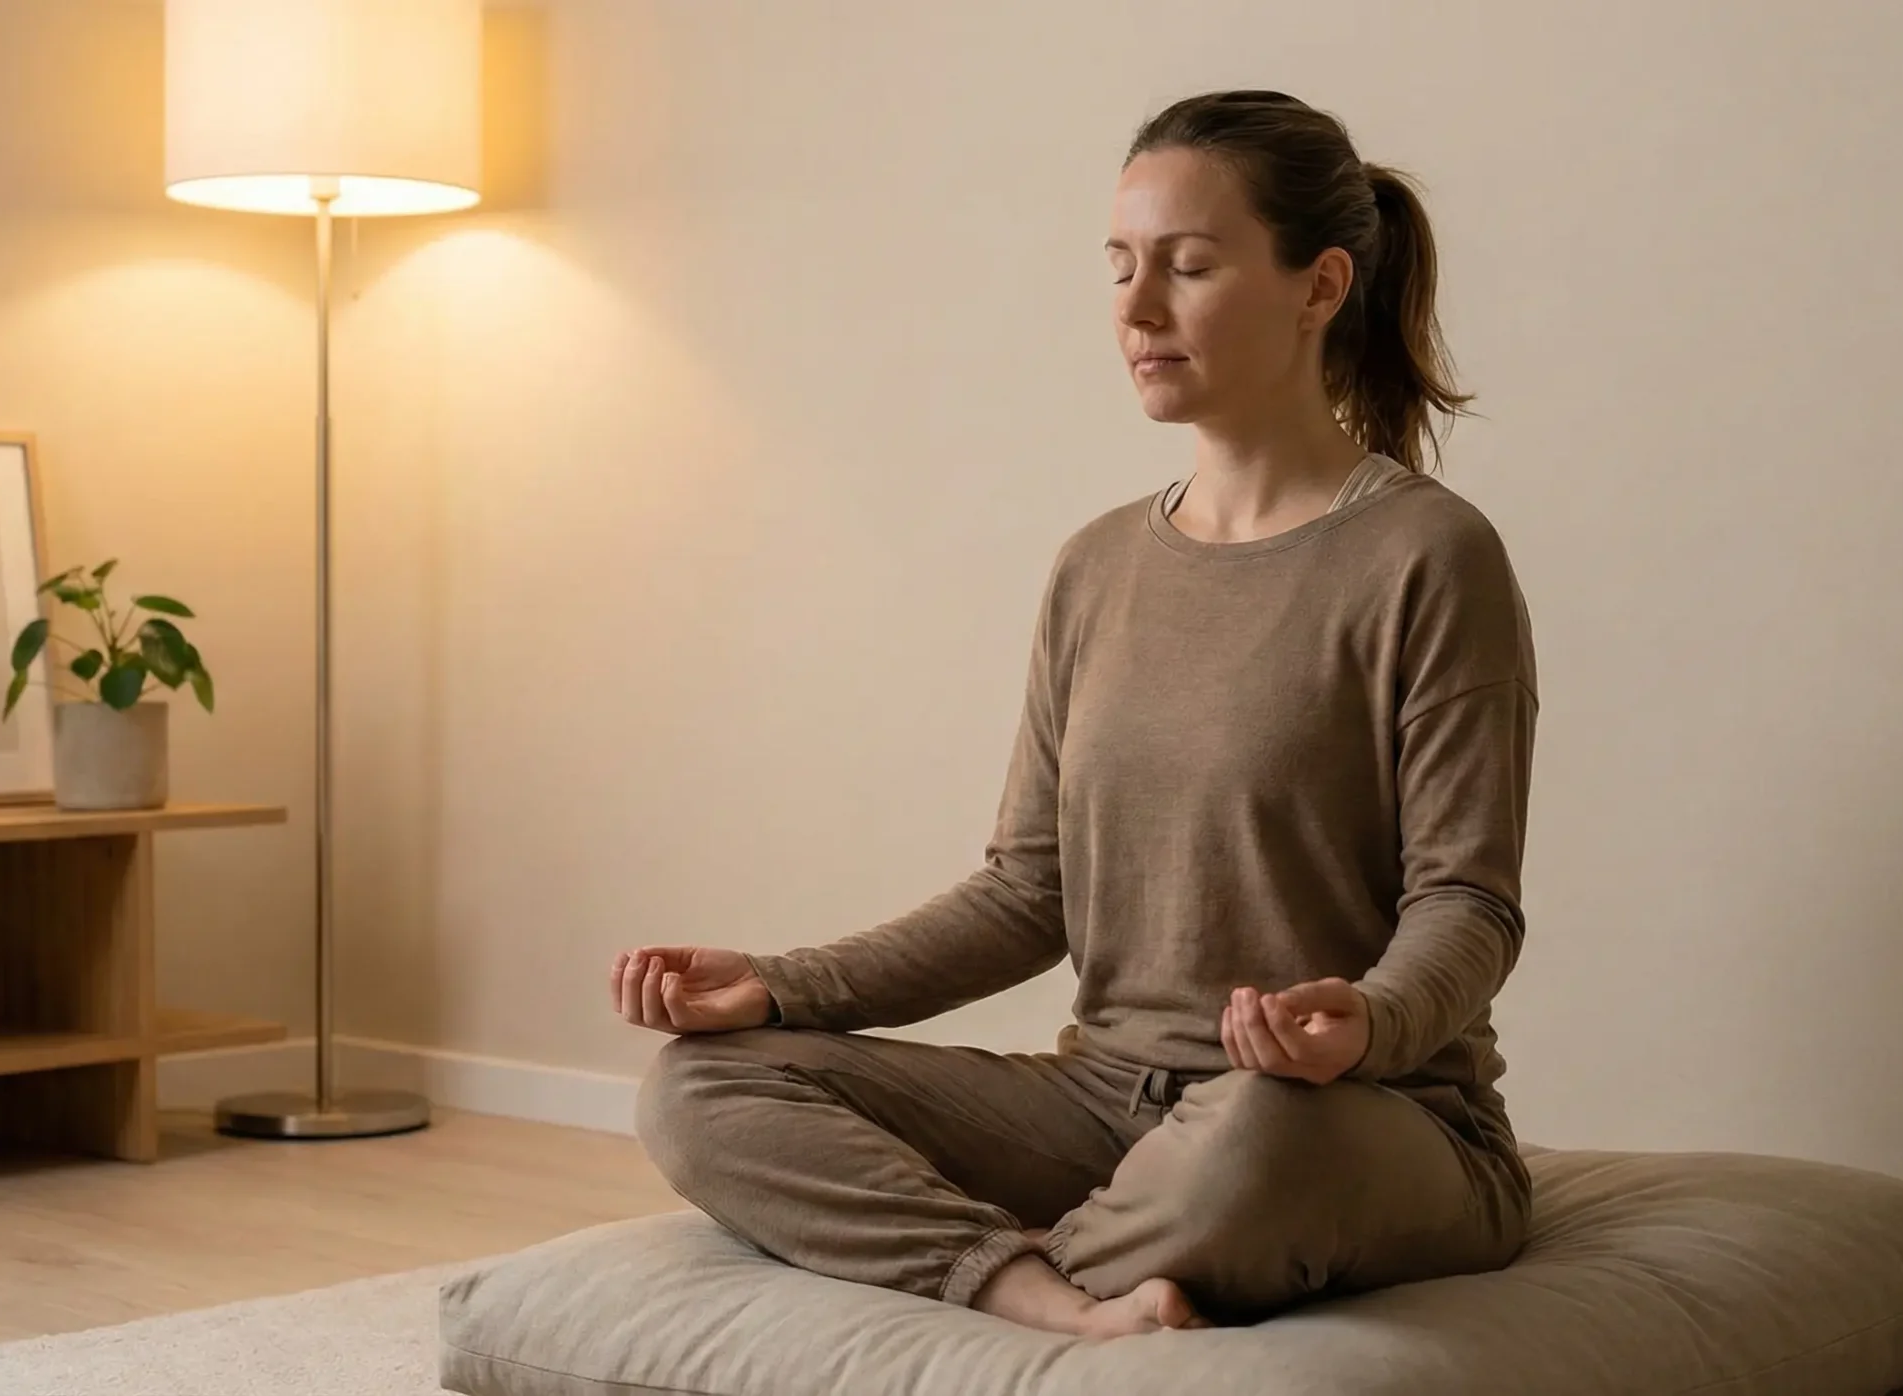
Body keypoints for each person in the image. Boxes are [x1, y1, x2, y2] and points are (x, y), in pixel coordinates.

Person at [612, 88, 1538, 1339]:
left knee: (1254, 1143)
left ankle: (1032, 1258)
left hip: (1351, 1115)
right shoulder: (1097, 565)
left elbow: (1466, 904)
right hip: (1105, 1103)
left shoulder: (1428, 554)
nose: (1138, 311)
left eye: (1190, 267)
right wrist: (779, 988)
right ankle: (1048, 1297)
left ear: (1320, 288)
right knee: (699, 1089)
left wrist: (1366, 1020)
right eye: (1120, 269)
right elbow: (1025, 891)